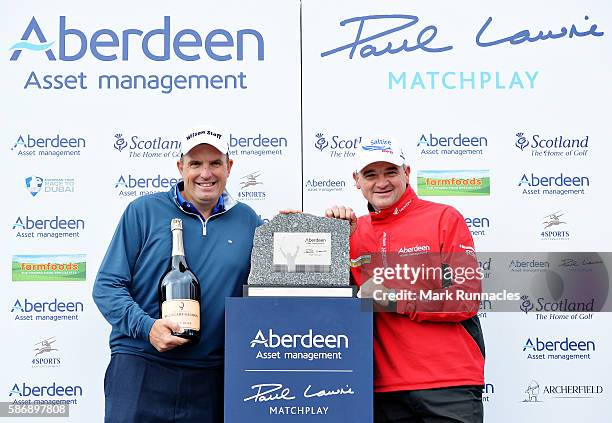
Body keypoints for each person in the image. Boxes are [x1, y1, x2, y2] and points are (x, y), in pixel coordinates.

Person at [93, 125, 262, 423]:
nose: (205, 173)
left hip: (210, 376)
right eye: (195, 163)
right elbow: (107, 286)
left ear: (229, 167)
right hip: (140, 363)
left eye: (215, 163)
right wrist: (147, 327)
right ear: (180, 166)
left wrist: (303, 226)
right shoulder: (143, 211)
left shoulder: (248, 220)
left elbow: (278, 276)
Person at [326, 137, 485, 423]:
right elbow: (333, 305)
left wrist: (397, 299)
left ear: (407, 173)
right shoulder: (352, 231)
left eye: (390, 172)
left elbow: (466, 298)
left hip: (448, 386)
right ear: (357, 180)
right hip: (383, 392)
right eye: (370, 174)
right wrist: (305, 232)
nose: (381, 182)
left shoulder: (444, 218)